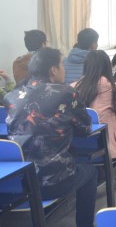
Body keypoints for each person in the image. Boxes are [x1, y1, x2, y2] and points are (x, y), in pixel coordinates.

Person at [4, 47, 96, 227]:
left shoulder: (12, 96)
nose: (64, 69)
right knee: (90, 171)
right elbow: (85, 129)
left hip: (18, 182)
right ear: (53, 69)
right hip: (51, 182)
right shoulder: (66, 93)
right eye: (62, 64)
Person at [73, 50, 116, 191]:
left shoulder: (74, 87)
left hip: (78, 145)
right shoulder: (111, 87)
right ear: (107, 66)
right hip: (104, 143)